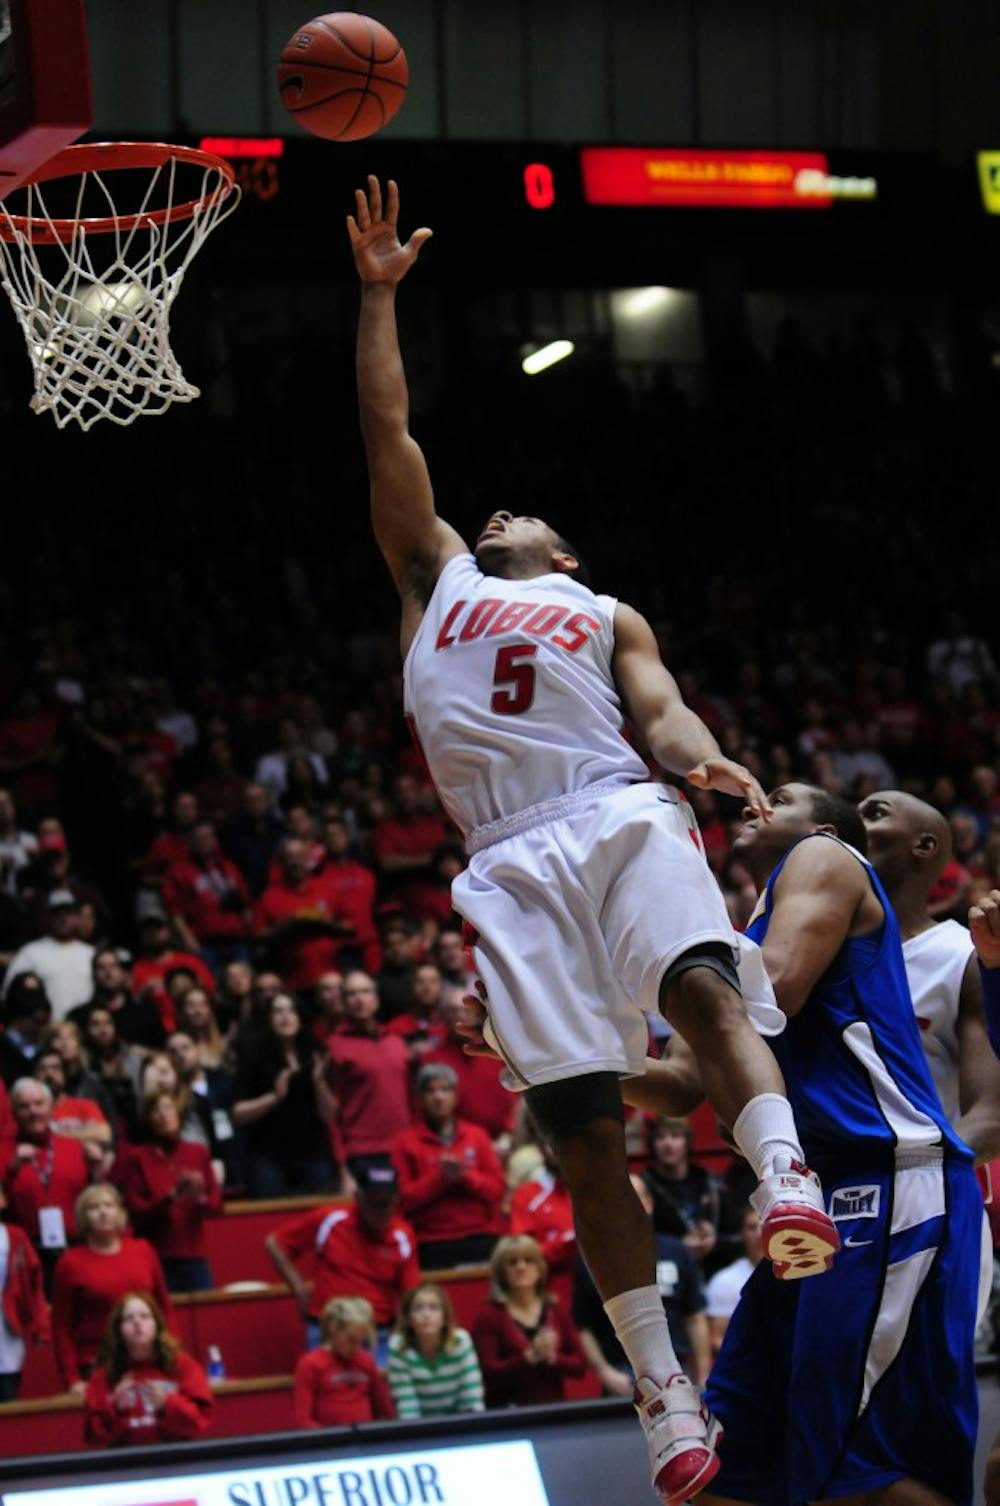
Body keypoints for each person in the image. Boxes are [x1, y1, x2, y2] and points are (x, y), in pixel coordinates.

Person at [349, 175, 835, 1503]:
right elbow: (386, 426)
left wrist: (704, 759)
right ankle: (663, 1396)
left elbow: (664, 715)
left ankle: (781, 1177)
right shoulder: (431, 581)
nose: (498, 514)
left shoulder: (601, 608)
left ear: (562, 558)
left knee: (699, 988)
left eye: (527, 520)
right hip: (505, 859)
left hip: (617, 808)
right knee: (575, 1133)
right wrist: (379, 293)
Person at [622, 783, 981, 1506]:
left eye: (778, 797)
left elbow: (775, 992)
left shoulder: (824, 857)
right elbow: (683, 1085)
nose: (756, 802)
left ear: (820, 825)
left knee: (851, 1470)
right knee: (736, 1464)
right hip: (818, 1199)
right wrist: (550, 1055)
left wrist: (638, 948)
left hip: (888, 1183)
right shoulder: (747, 930)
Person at [266, 1162, 419, 1358]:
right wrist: (298, 1287)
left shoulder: (402, 1235)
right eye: (373, 1202)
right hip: (327, 1331)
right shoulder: (331, 1219)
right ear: (358, 1197)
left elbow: (410, 1294)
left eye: (386, 1203)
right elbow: (275, 1243)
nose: (380, 1211)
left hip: (376, 1334)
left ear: (396, 1202)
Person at [573, 1174, 709, 1393]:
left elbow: (695, 1317)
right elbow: (584, 1327)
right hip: (621, 1375)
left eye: (633, 1197)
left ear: (648, 1203)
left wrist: (703, 1374)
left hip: (678, 1370)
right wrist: (605, 1373)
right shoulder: (592, 1259)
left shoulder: (676, 1251)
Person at [50, 1183, 174, 1393]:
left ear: (119, 1212)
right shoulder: (70, 1262)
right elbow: (62, 1327)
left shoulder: (143, 1250)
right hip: (97, 1363)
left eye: (109, 1205)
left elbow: (164, 1308)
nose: (103, 1212)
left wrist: (172, 1356)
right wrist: (72, 1379)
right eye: (94, 1207)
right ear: (83, 1216)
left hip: (148, 1359)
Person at [391, 1062, 504, 1267]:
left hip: (479, 1236)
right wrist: (440, 1178)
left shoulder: (476, 1136)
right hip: (431, 1241)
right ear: (420, 1099)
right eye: (430, 1091)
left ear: (456, 1096)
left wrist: (464, 1176)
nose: (438, 1097)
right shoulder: (405, 1142)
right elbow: (401, 1199)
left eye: (445, 1089)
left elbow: (497, 1190)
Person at [231, 992, 336, 1196]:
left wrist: (319, 1082)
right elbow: (237, 1114)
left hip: (310, 1151)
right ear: (269, 1019)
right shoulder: (253, 1055)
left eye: (291, 1010)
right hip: (267, 1155)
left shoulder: (315, 1053)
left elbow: (329, 1115)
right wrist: (274, 1097)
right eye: (278, 1011)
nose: (285, 1017)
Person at [120, 1091, 222, 1292]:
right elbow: (136, 1211)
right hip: (156, 1256)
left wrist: (199, 1198)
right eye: (155, 1110)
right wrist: (171, 1196)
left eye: (167, 1108)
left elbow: (217, 1204)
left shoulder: (198, 1152)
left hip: (194, 1254)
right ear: (148, 1119)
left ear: (179, 1114)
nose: (163, 1115)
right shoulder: (137, 1157)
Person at [470, 1234, 586, 1408]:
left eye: (528, 1260)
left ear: (540, 1268)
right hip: (507, 1413)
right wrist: (528, 1358)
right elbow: (488, 1372)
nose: (521, 1267)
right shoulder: (489, 1315)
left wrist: (553, 1358)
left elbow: (579, 1366)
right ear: (501, 1271)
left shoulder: (556, 1310)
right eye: (512, 1262)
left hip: (554, 1409)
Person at [83, 1292, 213, 1446]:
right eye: (128, 1319)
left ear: (157, 1324)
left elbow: (201, 1421)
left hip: (175, 1458)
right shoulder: (103, 1374)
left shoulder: (181, 1365)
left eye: (144, 1316)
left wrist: (167, 1404)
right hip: (125, 1462)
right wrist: (115, 1409)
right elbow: (93, 1437)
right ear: (118, 1329)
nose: (137, 1322)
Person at [4, 1077, 97, 1270]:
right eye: (24, 1106)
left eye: (39, 1104)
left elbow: (93, 1198)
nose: (33, 1112)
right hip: (23, 1256)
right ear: (13, 1113)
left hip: (75, 1250)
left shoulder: (74, 1148)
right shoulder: (4, 1153)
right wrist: (9, 1169)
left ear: (51, 1108)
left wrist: (97, 1168)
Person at [326, 970, 411, 1179]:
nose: (359, 999)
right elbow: (330, 1112)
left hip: (404, 1144)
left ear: (376, 999)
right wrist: (341, 1165)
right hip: (362, 1151)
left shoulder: (395, 1041)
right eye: (352, 994)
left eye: (365, 991)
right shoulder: (334, 1046)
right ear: (344, 1002)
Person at [292, 1295, 394, 1429]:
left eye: (361, 1342)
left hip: (366, 1440)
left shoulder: (366, 1361)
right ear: (333, 1328)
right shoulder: (310, 1364)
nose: (356, 1347)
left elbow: (384, 1410)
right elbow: (302, 1420)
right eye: (351, 1340)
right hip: (329, 1443)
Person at [387, 1281, 485, 1418]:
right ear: (408, 1319)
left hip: (461, 1422)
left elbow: (472, 1396)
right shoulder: (398, 1346)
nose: (426, 1315)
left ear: (445, 1317)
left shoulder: (461, 1341)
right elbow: (406, 1405)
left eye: (434, 1308)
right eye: (418, 1309)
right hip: (421, 1428)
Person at [2, 891, 94, 1022]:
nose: (63, 918)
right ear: (48, 917)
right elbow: (10, 994)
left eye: (68, 912)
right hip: (47, 1034)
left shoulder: (90, 953)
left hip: (86, 1033)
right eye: (57, 913)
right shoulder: (31, 953)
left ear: (76, 916)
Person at [642, 1117, 721, 1269]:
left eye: (675, 1135)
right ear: (652, 1143)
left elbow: (735, 1234)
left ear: (687, 1141)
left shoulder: (708, 1182)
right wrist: (678, 1247)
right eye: (660, 1137)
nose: (667, 1143)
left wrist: (713, 1237)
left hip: (711, 1268)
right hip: (664, 1268)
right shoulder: (644, 1185)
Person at [0, 1179, 48, 1401]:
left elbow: (33, 1285)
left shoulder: (15, 1237)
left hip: (7, 1330)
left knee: (8, 1393)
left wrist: (39, 1326)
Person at [703, 1206, 761, 1358]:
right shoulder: (724, 1281)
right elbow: (716, 1339)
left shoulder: (798, 1276)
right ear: (742, 1234)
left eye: (765, 1225)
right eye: (752, 1227)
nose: (759, 1233)